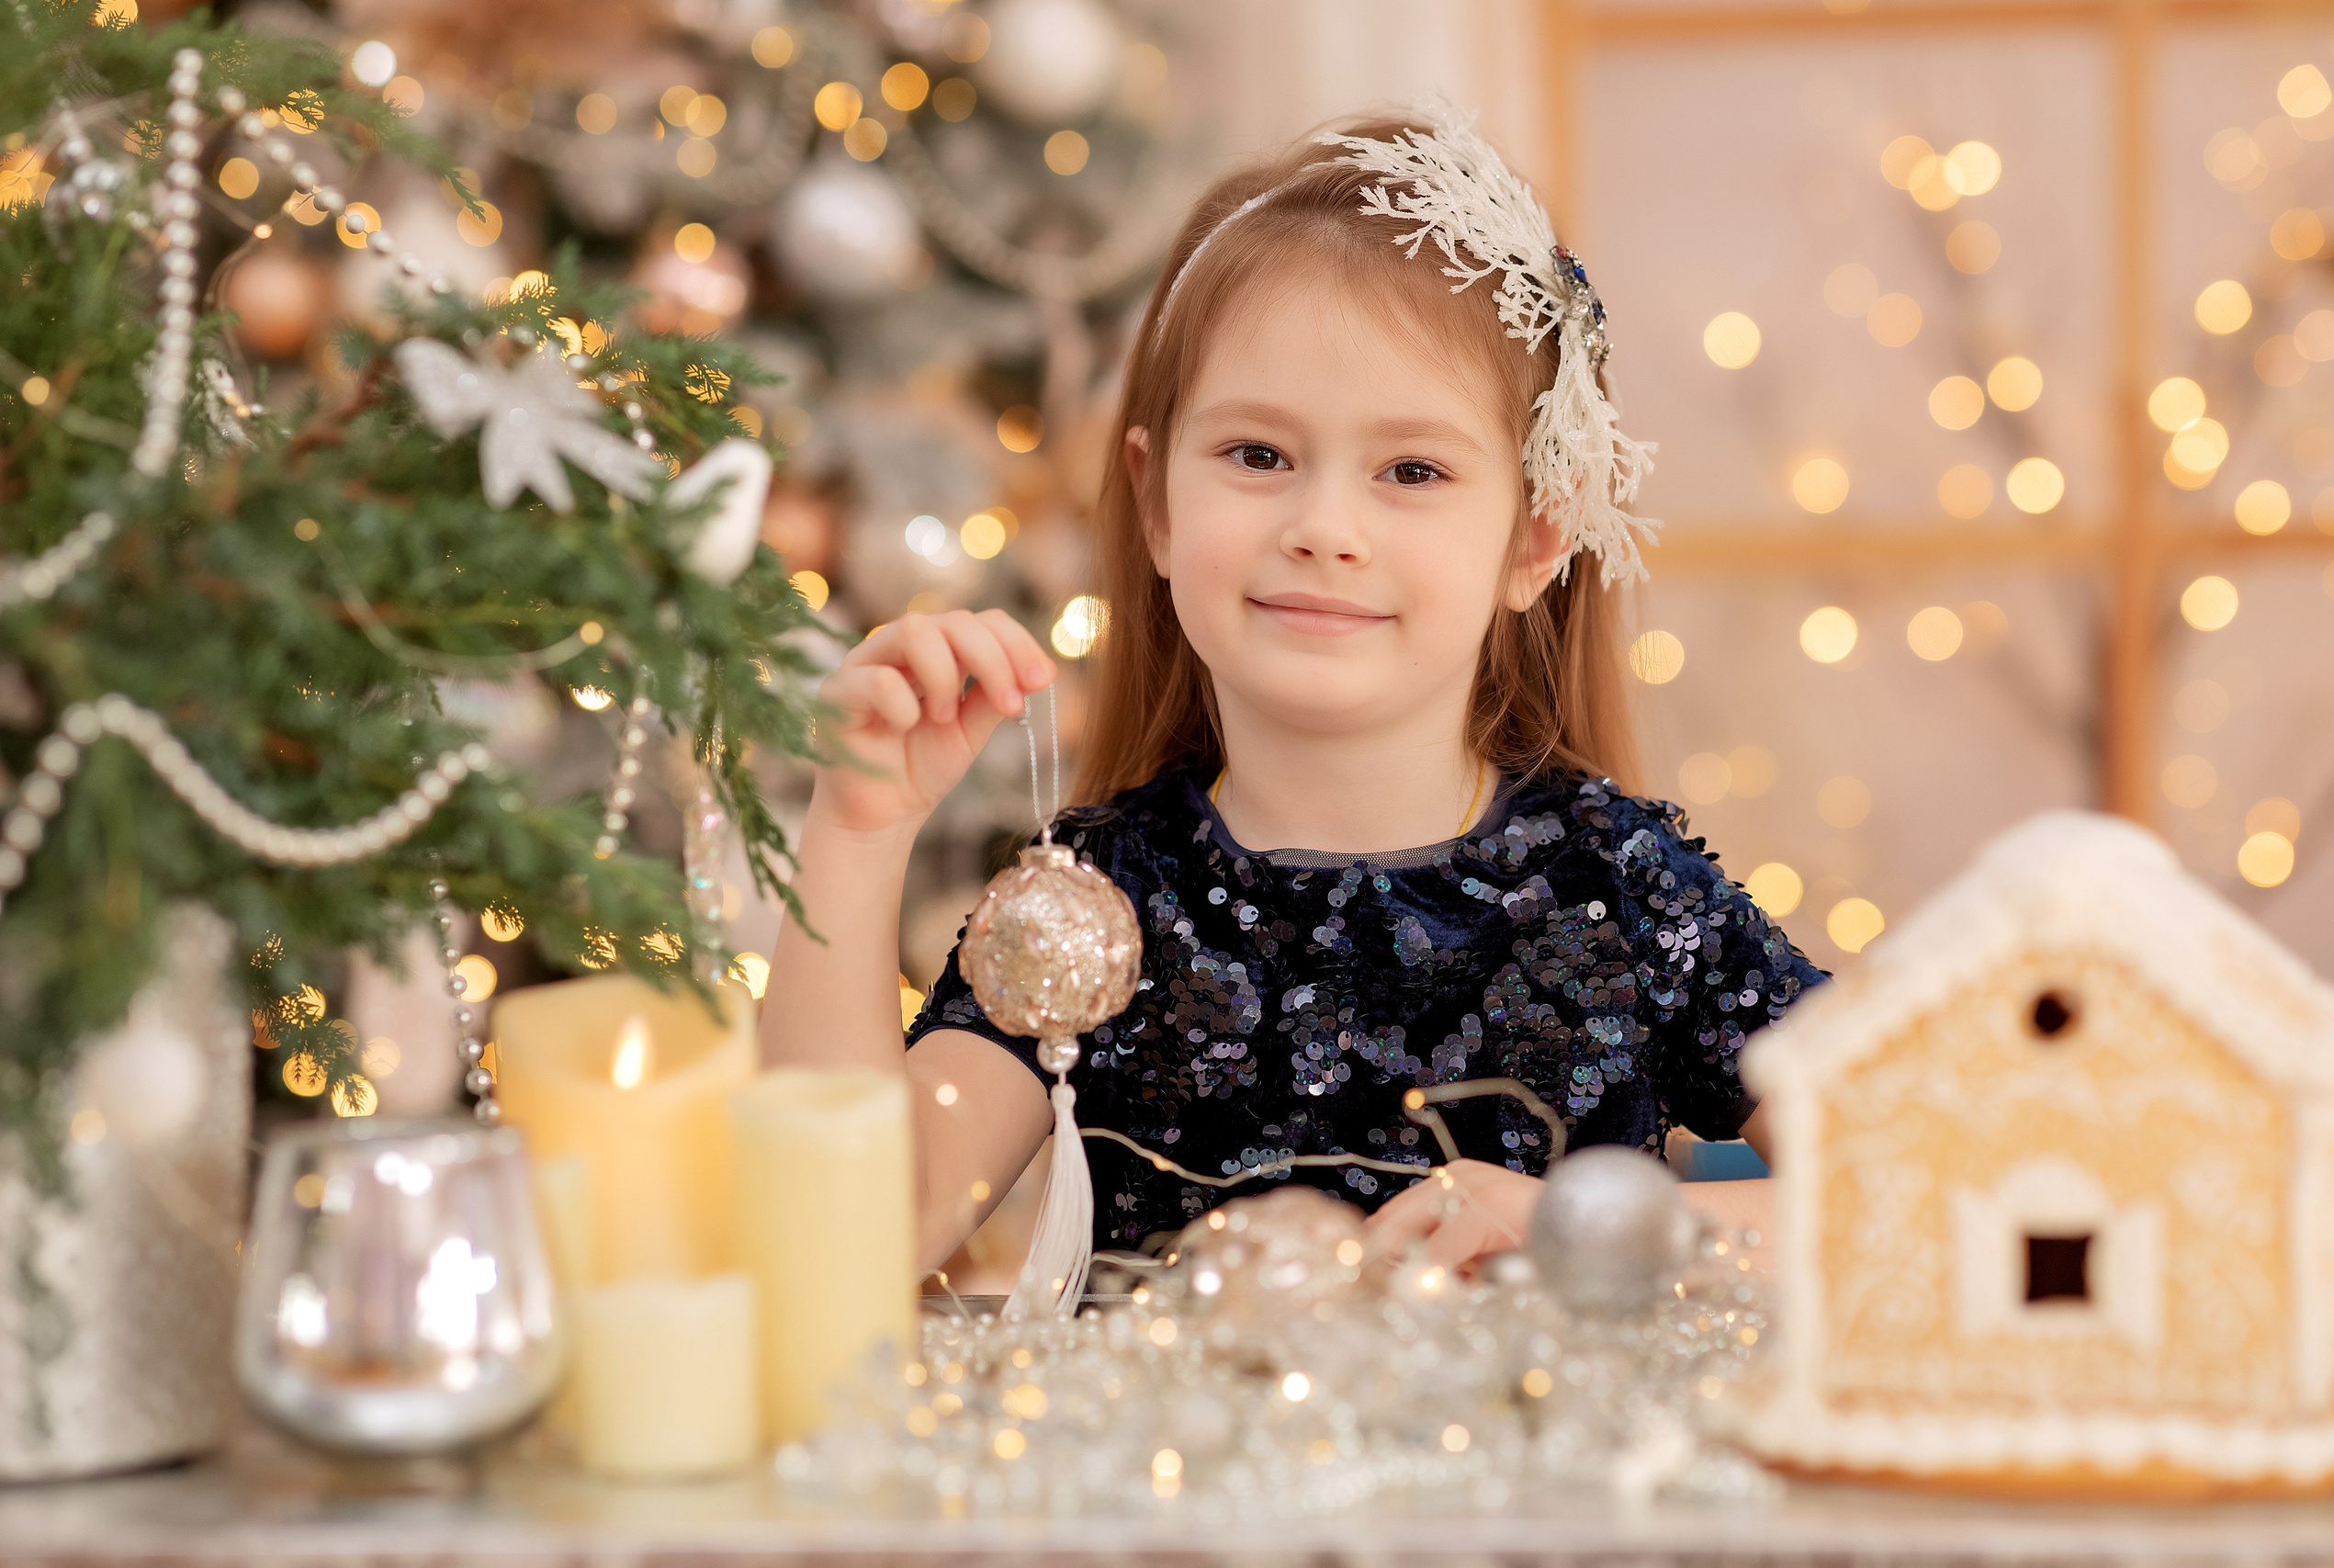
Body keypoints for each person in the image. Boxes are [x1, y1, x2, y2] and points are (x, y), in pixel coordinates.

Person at [762, 106, 1826, 1284]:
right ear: (1156, 500)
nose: (1324, 529)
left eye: (1411, 470)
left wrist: (1601, 1235)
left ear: (1533, 538)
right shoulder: (1092, 910)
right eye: (1258, 456)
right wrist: (858, 834)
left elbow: (1928, 1188)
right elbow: (837, 1247)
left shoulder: (1622, 895)